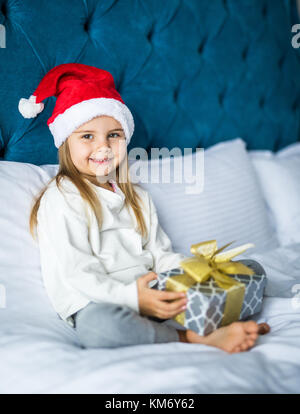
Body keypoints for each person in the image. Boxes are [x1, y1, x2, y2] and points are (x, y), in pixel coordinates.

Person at [19, 63, 270, 353]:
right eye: (87, 136)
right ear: (65, 142)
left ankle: (218, 317)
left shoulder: (137, 197)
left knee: (248, 269)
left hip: (153, 291)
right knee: (100, 329)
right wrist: (133, 297)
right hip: (102, 302)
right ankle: (194, 338)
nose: (103, 147)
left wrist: (194, 270)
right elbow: (78, 273)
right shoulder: (62, 197)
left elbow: (159, 255)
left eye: (113, 135)